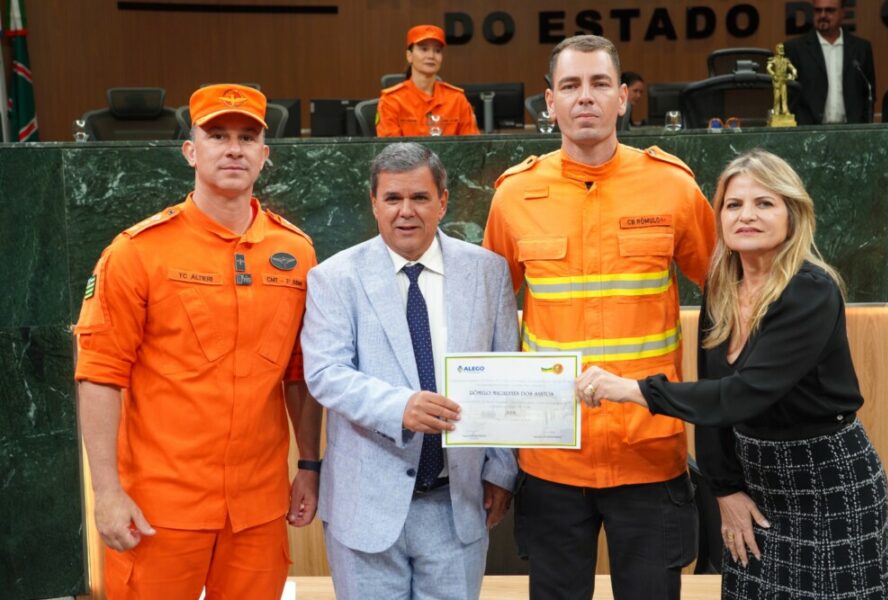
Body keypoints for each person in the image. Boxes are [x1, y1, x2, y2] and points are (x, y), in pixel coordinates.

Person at [577, 149, 888, 599]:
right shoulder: (721, 288)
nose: (746, 215)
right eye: (734, 205)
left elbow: (742, 395)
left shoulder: (811, 290)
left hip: (828, 482)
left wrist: (632, 390)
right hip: (754, 482)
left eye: (764, 203)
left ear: (793, 213)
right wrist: (725, 490)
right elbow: (714, 399)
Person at [482, 35, 716, 600]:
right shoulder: (513, 196)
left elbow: (728, 297)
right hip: (552, 459)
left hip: (650, 451)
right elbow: (485, 325)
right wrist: (494, 456)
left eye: (599, 84)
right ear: (549, 102)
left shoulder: (674, 187)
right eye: (570, 86)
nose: (584, 97)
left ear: (622, 99)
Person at [74, 83, 321, 599]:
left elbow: (301, 374)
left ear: (264, 155)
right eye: (218, 135)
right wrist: (107, 494)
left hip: (257, 509)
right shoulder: (137, 252)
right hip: (160, 509)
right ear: (191, 151)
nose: (234, 148)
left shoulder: (296, 252)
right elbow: (99, 374)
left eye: (248, 137)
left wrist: (310, 466)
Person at [302, 142, 518, 600]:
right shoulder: (334, 277)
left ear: (443, 201)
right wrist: (400, 406)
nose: (406, 211)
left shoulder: (488, 272)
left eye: (419, 198)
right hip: (366, 507)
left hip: (456, 504)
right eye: (393, 198)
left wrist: (501, 470)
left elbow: (506, 374)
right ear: (374, 204)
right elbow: (325, 372)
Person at [376, 25, 479, 137]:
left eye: (437, 50)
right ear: (409, 56)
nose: (431, 56)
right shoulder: (391, 101)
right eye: (424, 49)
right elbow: (392, 151)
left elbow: (472, 148)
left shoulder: (457, 99)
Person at [784, 0, 875, 124]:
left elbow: (869, 93)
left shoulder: (861, 49)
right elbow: (789, 98)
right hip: (809, 133)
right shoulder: (795, 49)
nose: (823, 15)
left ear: (843, 13)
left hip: (852, 132)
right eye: (818, 10)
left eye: (829, 10)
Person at [766, 43, 798, 117]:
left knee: (784, 97)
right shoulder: (774, 59)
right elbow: (768, 68)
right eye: (780, 48)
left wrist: (794, 73)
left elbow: (792, 68)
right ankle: (776, 112)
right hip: (777, 80)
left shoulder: (786, 60)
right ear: (777, 49)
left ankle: (785, 111)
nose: (781, 50)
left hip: (784, 80)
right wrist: (773, 75)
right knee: (777, 97)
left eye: (782, 48)